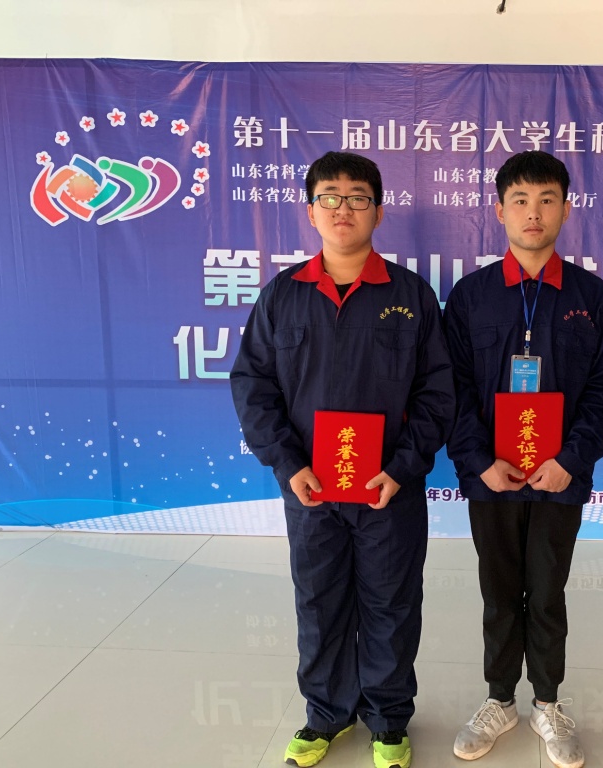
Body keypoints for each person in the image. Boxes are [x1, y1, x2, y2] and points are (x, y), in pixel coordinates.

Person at [231, 151, 454, 768]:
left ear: (378, 211)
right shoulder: (283, 296)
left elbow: (439, 393)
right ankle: (326, 714)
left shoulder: (410, 295)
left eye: (357, 197)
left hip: (388, 489)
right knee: (320, 600)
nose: (343, 208)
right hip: (311, 489)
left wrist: (402, 467)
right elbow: (252, 385)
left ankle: (388, 719)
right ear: (311, 212)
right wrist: (288, 465)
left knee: (391, 603)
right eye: (329, 197)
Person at [444, 151, 603, 768]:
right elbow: (451, 389)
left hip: (558, 477)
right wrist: (478, 461)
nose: (533, 212)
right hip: (492, 476)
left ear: (566, 210)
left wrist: (571, 460)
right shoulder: (471, 297)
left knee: (547, 591)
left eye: (547, 200)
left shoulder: (588, 295)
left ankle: (547, 703)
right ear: (499, 211)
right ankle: (499, 700)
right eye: (520, 200)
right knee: (499, 592)